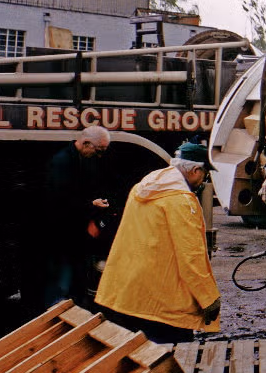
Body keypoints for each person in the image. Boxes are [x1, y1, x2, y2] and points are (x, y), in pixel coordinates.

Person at [95, 142, 221, 342]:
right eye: (205, 174)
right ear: (196, 170)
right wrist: (209, 298)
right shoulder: (181, 201)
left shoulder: (142, 187)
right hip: (161, 306)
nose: (203, 180)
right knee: (171, 361)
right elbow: (191, 256)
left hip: (126, 294)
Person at [41, 126, 112, 309]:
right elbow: (58, 200)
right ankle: (57, 309)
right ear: (86, 143)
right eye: (99, 150)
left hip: (71, 229)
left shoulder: (76, 159)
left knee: (68, 273)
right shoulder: (61, 163)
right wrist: (91, 205)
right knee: (62, 274)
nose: (100, 155)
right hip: (61, 231)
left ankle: (65, 306)